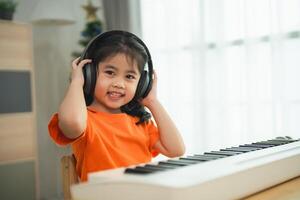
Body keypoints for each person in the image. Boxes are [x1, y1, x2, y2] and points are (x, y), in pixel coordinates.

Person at [48, 31, 185, 182]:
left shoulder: (141, 123)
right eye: (110, 72)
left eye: (129, 76)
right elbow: (71, 122)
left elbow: (176, 150)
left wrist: (152, 102)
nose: (119, 84)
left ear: (141, 84)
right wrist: (77, 83)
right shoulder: (85, 120)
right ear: (90, 74)